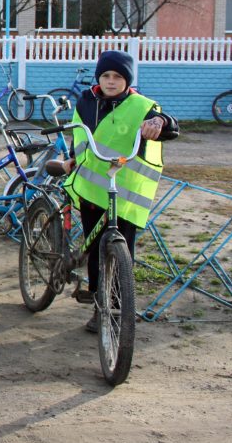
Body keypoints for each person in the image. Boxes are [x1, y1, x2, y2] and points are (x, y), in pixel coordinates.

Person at [58, 50, 179, 333]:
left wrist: (159, 123)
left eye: (118, 77)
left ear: (128, 80)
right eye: (106, 76)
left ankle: (118, 307)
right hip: (91, 189)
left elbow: (170, 126)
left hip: (124, 194)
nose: (111, 82)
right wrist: (75, 160)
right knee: (96, 249)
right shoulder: (86, 101)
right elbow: (79, 135)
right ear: (99, 76)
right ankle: (101, 308)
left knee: (123, 253)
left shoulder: (143, 106)